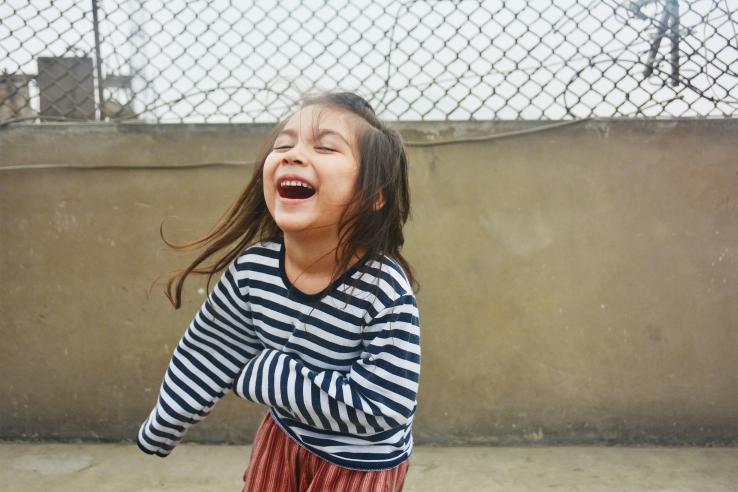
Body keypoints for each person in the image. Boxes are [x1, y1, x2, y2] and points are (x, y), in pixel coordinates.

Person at [136, 91, 421, 491]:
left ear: (373, 195)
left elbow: (386, 404)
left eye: (324, 147)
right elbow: (212, 348)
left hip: (360, 463)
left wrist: (270, 374)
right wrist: (165, 422)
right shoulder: (254, 271)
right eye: (283, 145)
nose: (291, 154)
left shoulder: (383, 289)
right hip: (283, 437)